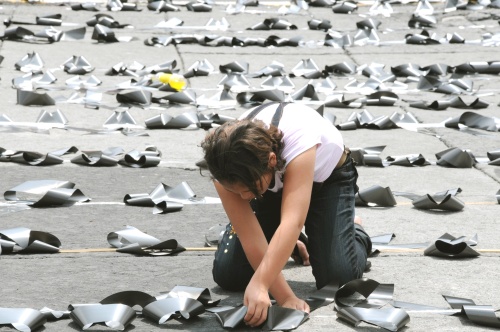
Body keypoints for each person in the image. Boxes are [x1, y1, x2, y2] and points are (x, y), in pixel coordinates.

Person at [200, 102, 372, 327]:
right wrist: (285, 297)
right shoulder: (223, 165)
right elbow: (248, 232)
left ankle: (355, 231)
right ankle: (288, 242)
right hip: (266, 184)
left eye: (246, 191)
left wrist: (262, 283)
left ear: (272, 161)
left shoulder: (299, 140)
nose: (243, 198)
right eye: (236, 191)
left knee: (337, 278)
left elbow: (292, 220)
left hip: (327, 181)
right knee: (229, 274)